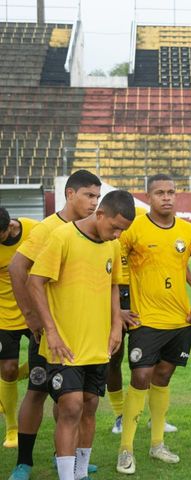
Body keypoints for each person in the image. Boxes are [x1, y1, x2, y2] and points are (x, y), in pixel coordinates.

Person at [27, 190, 135, 480]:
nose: (117, 235)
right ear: (100, 214)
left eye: (123, 230)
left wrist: (115, 326)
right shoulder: (62, 237)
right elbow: (34, 281)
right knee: (71, 406)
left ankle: (81, 472)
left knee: (89, 405)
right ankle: (66, 476)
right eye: (115, 227)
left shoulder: (112, 245)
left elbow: (114, 285)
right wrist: (50, 330)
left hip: (97, 344)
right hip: (65, 344)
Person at [115, 174, 191, 475]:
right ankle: (126, 448)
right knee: (141, 375)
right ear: (149, 197)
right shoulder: (133, 229)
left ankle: (157, 444)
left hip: (181, 320)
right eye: (160, 193)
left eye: (171, 192)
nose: (167, 197)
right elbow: (114, 268)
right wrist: (120, 308)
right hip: (145, 320)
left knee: (163, 377)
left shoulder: (189, 231)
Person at [8, 170, 102, 480]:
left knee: (74, 399)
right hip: (49, 332)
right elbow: (17, 267)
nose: (93, 202)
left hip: (81, 332)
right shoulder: (49, 228)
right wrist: (31, 316)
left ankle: (69, 458)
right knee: (36, 390)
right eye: (88, 195)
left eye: (97, 196)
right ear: (70, 194)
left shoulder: (95, 231)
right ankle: (24, 462)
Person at [108, 205, 178, 436]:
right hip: (115, 292)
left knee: (152, 362)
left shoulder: (142, 214)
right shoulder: (109, 219)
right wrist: (116, 310)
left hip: (145, 293)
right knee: (113, 356)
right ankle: (120, 415)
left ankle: (155, 417)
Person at [0, 208, 37, 448]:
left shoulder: (34, 231)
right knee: (9, 370)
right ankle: (11, 428)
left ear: (9, 227)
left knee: (41, 365)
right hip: (4, 316)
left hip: (35, 313)